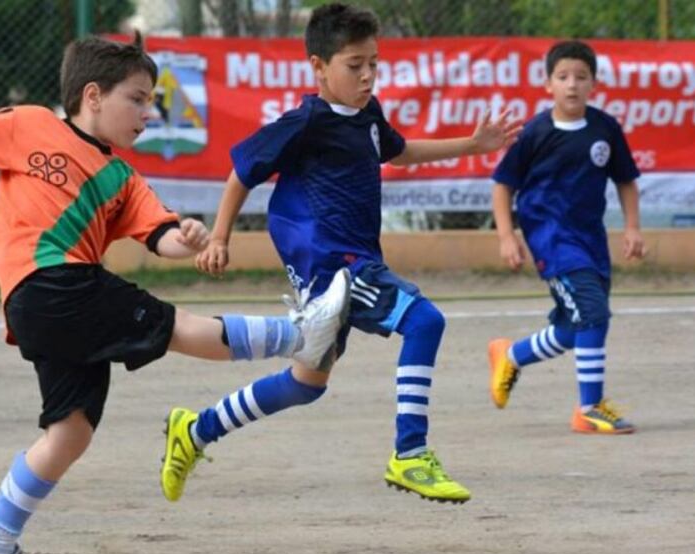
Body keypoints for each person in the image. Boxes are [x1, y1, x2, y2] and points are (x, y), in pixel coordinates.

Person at [0, 33, 350, 554]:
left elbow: (161, 237)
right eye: (139, 99)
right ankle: (302, 334)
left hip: (44, 307)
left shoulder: (123, 178)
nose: (148, 113)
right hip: (52, 283)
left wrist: (189, 237)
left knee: (70, 431)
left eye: (151, 102)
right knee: (171, 326)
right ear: (93, 96)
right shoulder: (29, 123)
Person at [158, 2, 521, 506]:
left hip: (348, 266)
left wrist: (472, 145)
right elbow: (243, 170)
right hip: (337, 267)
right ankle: (411, 454)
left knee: (306, 385)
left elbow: (396, 150)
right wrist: (220, 237)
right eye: (355, 65)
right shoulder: (305, 120)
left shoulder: (368, 115)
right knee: (425, 322)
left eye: (374, 62)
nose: (368, 75)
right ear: (318, 66)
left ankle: (197, 430)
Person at [487, 40, 645, 435]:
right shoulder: (535, 133)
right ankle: (589, 407)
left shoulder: (605, 128)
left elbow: (626, 180)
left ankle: (511, 355)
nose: (572, 85)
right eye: (563, 77)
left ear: (594, 83)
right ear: (548, 84)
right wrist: (507, 236)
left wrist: (632, 227)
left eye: (581, 77)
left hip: (591, 239)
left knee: (577, 328)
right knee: (593, 312)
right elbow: (503, 185)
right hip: (551, 239)